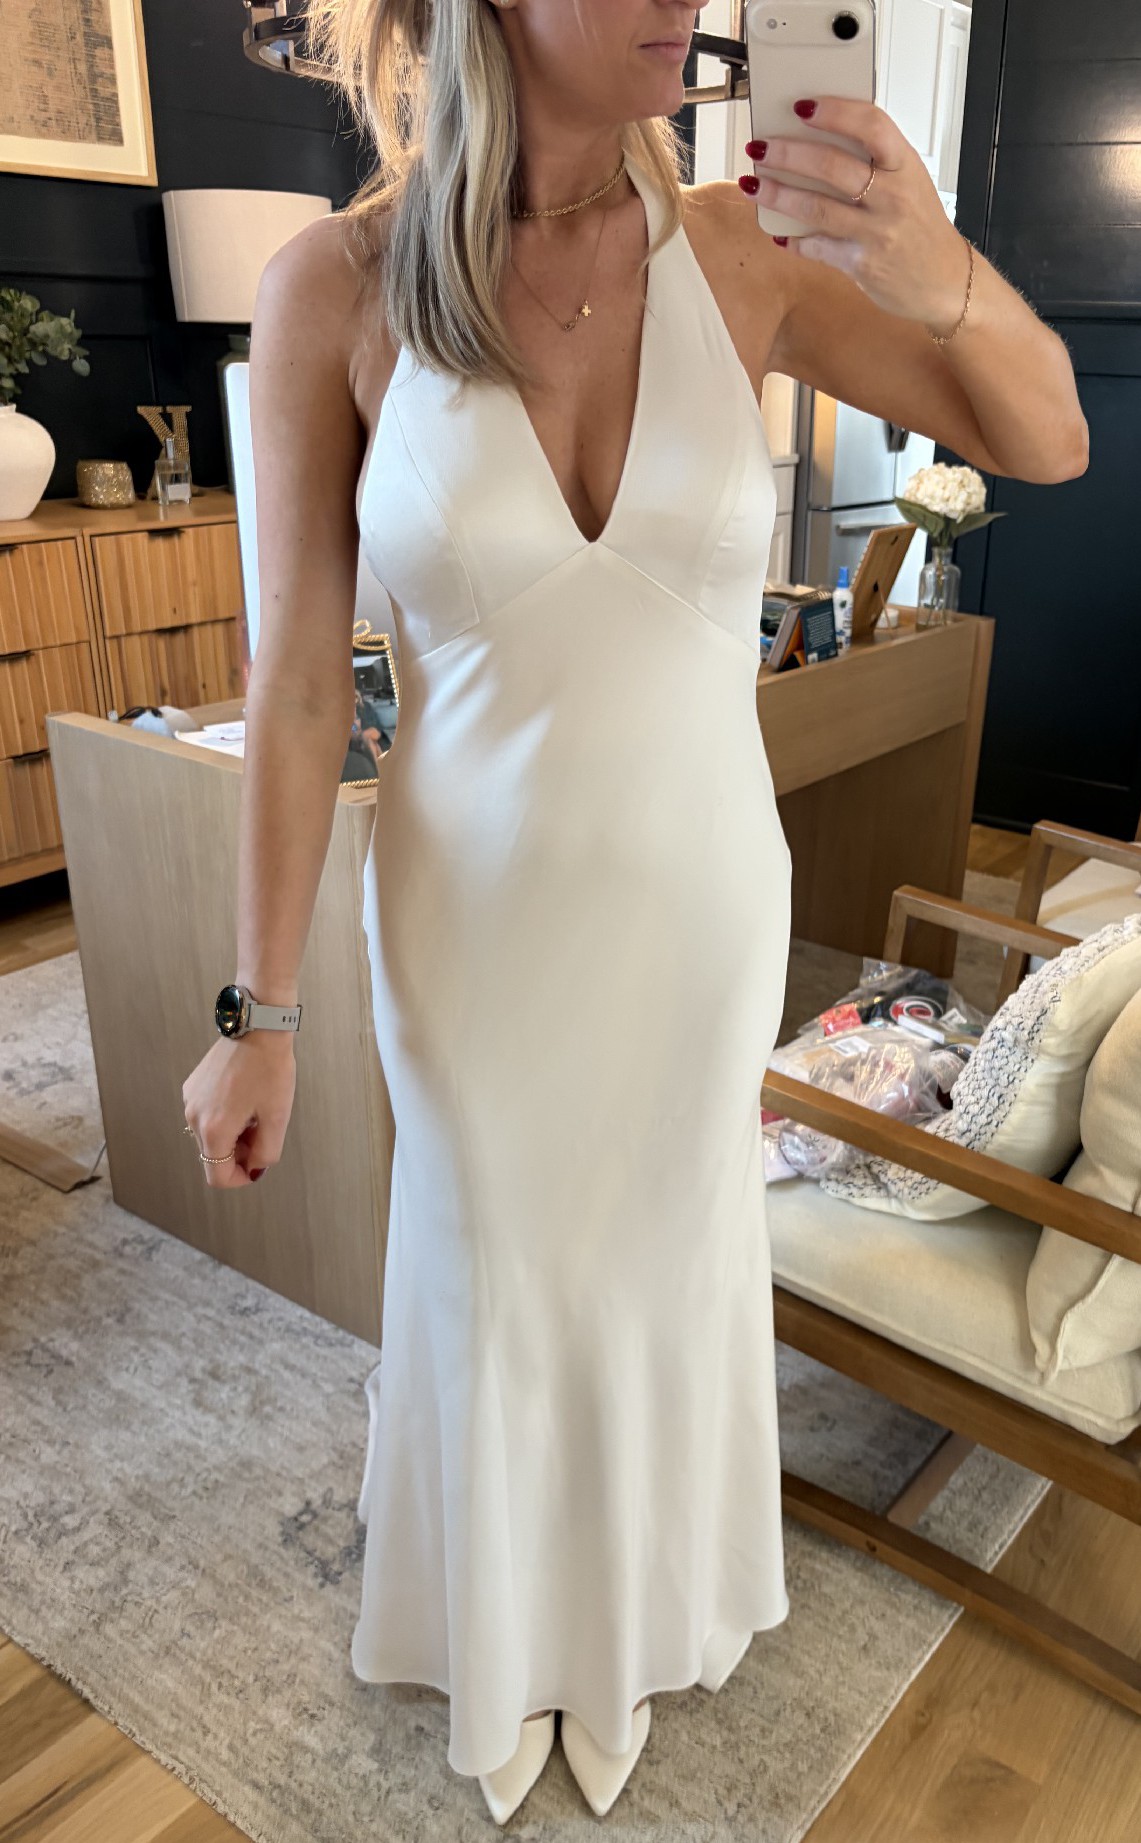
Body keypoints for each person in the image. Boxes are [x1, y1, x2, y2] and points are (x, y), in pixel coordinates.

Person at [181, 0, 1088, 1824]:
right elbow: (293, 682)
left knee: (668, 1252)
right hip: (470, 921)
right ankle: (501, 1630)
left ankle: (644, 1611)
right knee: (496, 1271)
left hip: (695, 906)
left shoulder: (748, 256)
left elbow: (1046, 437)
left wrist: (936, 268)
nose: (685, 2)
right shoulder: (332, 289)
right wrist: (256, 1014)